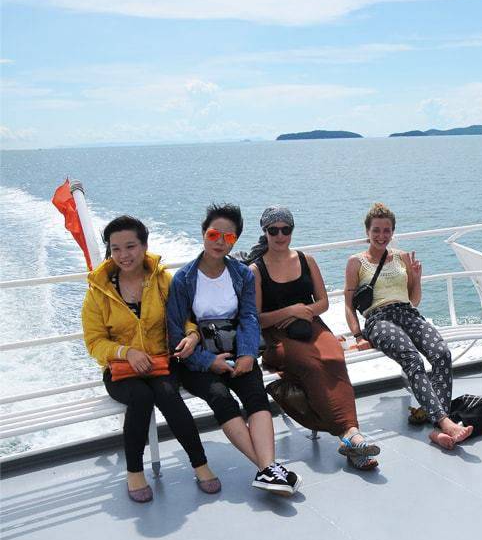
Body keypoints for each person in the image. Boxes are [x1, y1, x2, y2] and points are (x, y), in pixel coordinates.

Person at [81, 216, 219, 503]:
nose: (123, 255)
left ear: (144, 245)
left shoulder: (162, 280)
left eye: (130, 246)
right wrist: (126, 352)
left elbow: (186, 317)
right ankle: (134, 472)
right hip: (121, 370)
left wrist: (192, 336)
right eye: (115, 248)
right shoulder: (99, 291)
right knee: (141, 397)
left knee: (169, 395)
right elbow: (94, 342)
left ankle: (200, 463)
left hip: (160, 362)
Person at [166, 203, 301, 496]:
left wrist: (248, 353)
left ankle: (268, 471)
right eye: (214, 234)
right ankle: (269, 469)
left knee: (256, 395)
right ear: (203, 234)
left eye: (228, 238)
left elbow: (249, 316)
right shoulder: (183, 279)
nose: (220, 242)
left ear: (235, 240)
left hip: (238, 351)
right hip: (197, 360)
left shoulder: (241, 274)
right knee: (221, 397)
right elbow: (175, 334)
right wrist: (208, 361)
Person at [246, 206, 381, 470]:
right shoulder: (256, 270)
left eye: (286, 229)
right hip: (277, 334)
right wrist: (289, 311)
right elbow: (257, 317)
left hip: (311, 325)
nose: (280, 235)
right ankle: (351, 435)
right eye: (274, 230)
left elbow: (323, 303)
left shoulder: (306, 260)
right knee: (310, 365)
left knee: (333, 357)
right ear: (265, 232)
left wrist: (304, 312)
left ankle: (352, 439)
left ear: (292, 231)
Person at [344, 202, 473, 450]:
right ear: (367, 232)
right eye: (376, 231)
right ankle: (445, 423)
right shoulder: (356, 262)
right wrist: (358, 335)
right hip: (378, 319)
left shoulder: (402, 257)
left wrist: (417, 277)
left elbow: (413, 300)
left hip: (407, 313)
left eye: (387, 231)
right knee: (412, 359)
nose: (382, 236)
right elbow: (349, 306)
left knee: (441, 354)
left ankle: (439, 428)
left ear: (393, 232)